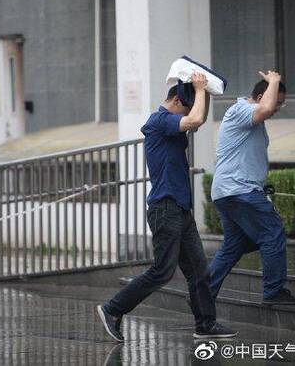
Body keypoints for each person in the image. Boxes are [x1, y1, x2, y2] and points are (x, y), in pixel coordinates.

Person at [97, 72, 237, 342]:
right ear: (175, 101)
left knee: (198, 270)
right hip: (165, 208)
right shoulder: (159, 120)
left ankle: (205, 325)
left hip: (180, 210)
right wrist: (197, 89)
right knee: (162, 270)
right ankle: (112, 309)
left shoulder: (172, 122)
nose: (187, 115)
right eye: (185, 107)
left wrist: (203, 91)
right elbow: (194, 119)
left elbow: (197, 120)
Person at [207, 70, 295, 306]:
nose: (278, 108)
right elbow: (266, 109)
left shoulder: (250, 118)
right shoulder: (241, 110)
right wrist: (275, 81)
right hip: (240, 191)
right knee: (272, 233)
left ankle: (202, 294)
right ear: (261, 96)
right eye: (278, 101)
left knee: (235, 245)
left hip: (231, 191)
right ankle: (274, 291)